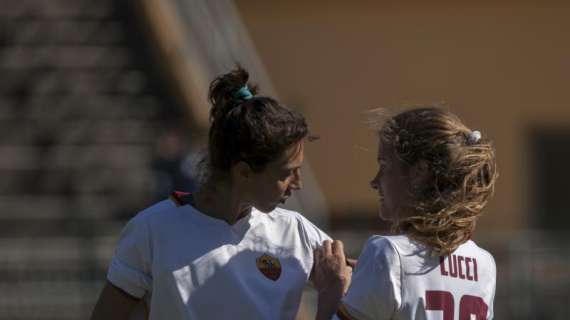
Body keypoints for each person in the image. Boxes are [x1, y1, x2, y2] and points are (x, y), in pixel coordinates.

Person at [90, 67, 349, 319]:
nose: (298, 184)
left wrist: (334, 296)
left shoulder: (297, 233)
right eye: (286, 173)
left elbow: (369, 293)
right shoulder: (151, 231)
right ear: (243, 172)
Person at [314, 107, 498, 320]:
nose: (375, 181)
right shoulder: (484, 263)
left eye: (384, 166)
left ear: (419, 173)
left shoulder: (387, 253)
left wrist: (331, 290)